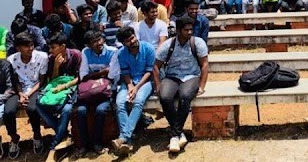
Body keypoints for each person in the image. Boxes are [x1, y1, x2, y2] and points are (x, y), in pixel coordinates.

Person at [153, 16, 209, 154]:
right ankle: (179, 134)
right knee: (165, 97)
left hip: (191, 76)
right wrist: (158, 85)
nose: (189, 32)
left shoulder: (198, 43)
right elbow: (155, 66)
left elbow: (205, 64)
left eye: (191, 29)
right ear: (178, 30)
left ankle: (174, 135)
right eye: (186, 30)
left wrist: (201, 85)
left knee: (185, 96)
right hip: (172, 76)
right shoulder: (168, 44)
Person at [112, 26, 156, 156]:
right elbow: (125, 72)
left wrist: (136, 88)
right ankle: (127, 142)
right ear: (123, 43)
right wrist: (130, 86)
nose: (132, 41)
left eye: (132, 37)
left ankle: (124, 137)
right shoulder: (122, 53)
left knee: (138, 101)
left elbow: (149, 71)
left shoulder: (148, 48)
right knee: (120, 104)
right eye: (127, 40)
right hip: (129, 82)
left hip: (146, 81)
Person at [38, 33, 80, 162]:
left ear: (63, 46)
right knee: (38, 104)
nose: (50, 50)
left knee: (66, 110)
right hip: (57, 89)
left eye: (53, 47)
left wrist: (65, 86)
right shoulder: (51, 58)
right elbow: (52, 80)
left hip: (72, 88)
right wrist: (56, 66)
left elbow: (80, 77)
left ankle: (53, 148)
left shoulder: (76, 55)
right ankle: (65, 135)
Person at [75, 31, 119, 157]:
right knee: (81, 111)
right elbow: (83, 76)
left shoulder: (112, 51)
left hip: (104, 92)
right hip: (89, 92)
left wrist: (92, 76)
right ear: (89, 45)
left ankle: (97, 143)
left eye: (100, 39)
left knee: (100, 110)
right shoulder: (85, 52)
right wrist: (101, 73)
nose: (99, 43)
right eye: (94, 41)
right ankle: (83, 145)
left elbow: (111, 75)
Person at [4, 33, 48, 158]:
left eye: (32, 45)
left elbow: (42, 80)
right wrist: (21, 93)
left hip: (35, 88)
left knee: (32, 109)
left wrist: (28, 94)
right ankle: (14, 138)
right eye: (26, 46)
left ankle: (37, 136)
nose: (30, 48)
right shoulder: (12, 60)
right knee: (8, 111)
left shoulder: (42, 57)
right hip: (18, 90)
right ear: (18, 48)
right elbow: (15, 80)